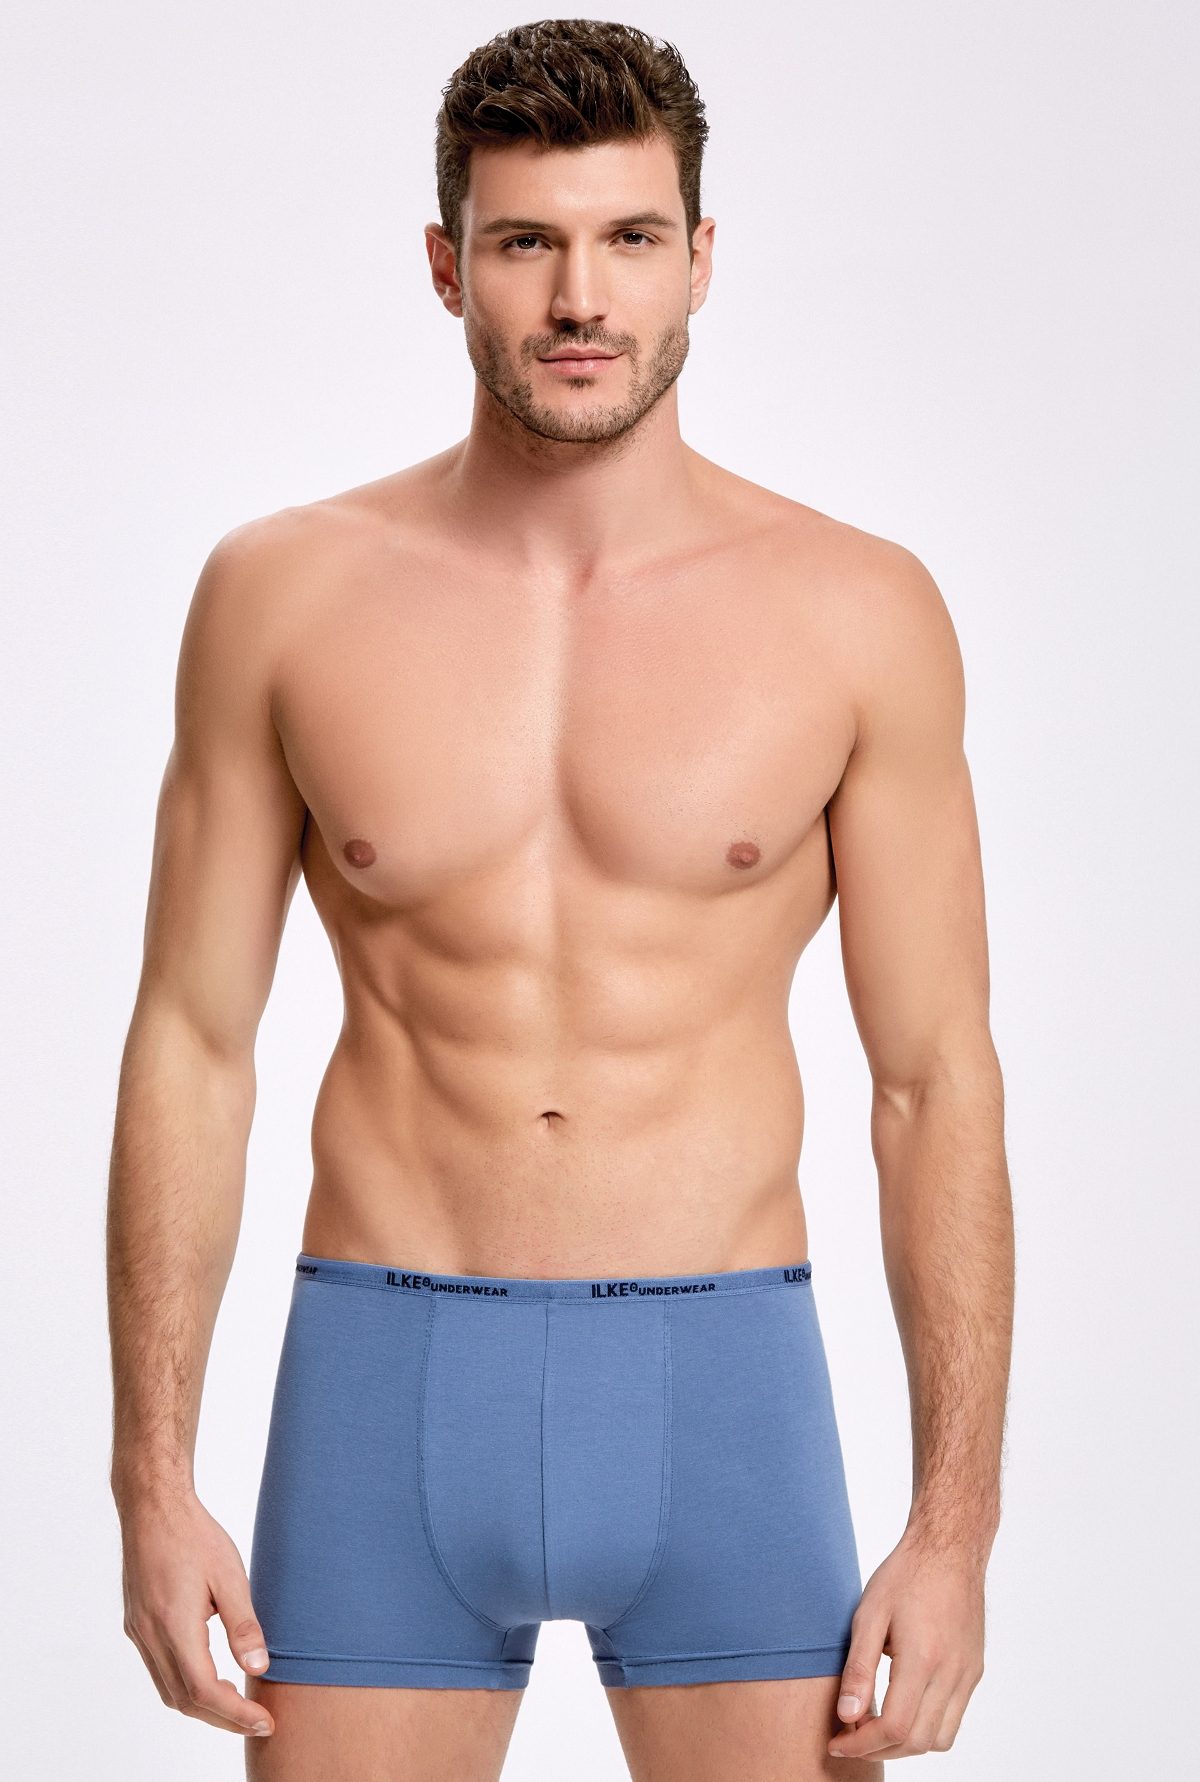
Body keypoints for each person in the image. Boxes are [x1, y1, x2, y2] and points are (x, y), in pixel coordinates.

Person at [106, 18, 1014, 1781]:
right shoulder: (283, 598)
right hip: (380, 1379)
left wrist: (956, 1524)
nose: (581, 296)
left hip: (726, 1391)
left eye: (629, 238)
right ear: (448, 264)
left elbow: (933, 1078)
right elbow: (193, 1040)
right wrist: (151, 1475)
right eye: (526, 241)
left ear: (700, 259)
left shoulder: (856, 613)